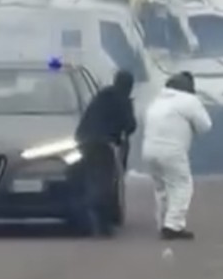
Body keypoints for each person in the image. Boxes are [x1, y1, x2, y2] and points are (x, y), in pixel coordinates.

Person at [142, 72, 212, 240]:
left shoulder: (157, 100)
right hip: (172, 151)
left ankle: (163, 222)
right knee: (182, 186)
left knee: (161, 189)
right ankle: (173, 226)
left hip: (149, 150)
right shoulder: (189, 101)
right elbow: (205, 126)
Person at [75, 69, 137, 233]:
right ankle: (100, 218)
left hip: (83, 141)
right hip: (103, 144)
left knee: (92, 177)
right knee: (105, 181)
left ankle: (90, 210)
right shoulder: (122, 99)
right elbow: (130, 126)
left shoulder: (102, 95)